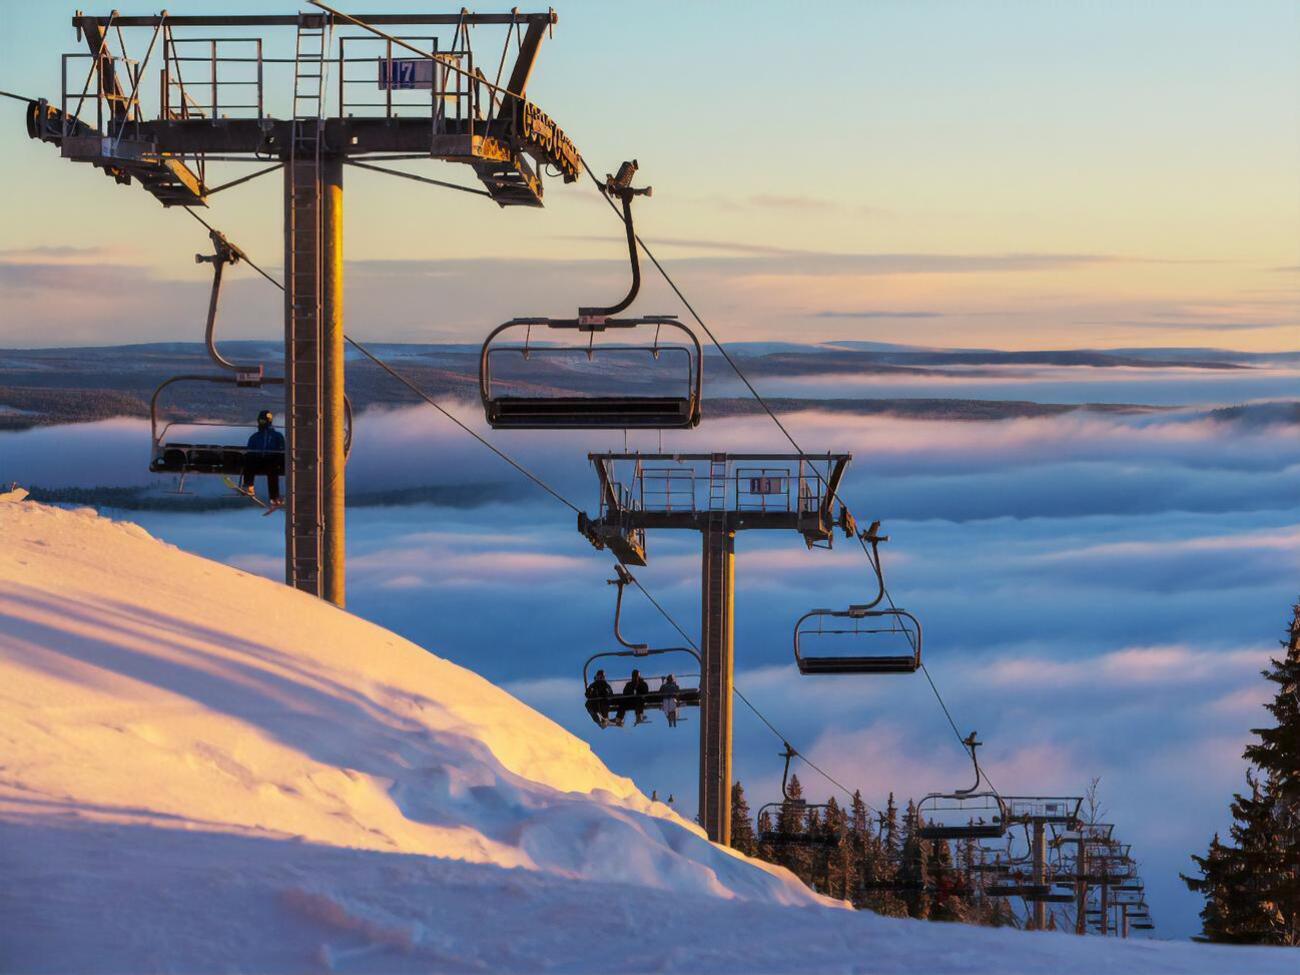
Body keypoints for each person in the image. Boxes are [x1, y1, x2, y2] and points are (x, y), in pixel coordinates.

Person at [242, 410, 285, 505]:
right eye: (260, 421)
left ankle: (274, 497)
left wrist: (279, 460)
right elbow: (250, 451)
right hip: (258, 461)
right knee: (249, 462)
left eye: (263, 421)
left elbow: (282, 450)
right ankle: (249, 486)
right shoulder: (255, 436)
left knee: (272, 472)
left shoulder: (276, 436)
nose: (261, 424)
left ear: (269, 421)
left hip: (272, 461)